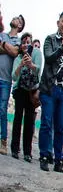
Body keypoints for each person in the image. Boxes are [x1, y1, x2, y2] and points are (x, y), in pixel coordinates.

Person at [39, 11, 63, 173]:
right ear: (58, 22)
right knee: (47, 123)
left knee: (61, 126)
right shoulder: (50, 39)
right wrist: (62, 46)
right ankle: (44, 156)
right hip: (49, 87)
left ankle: (59, 159)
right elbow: (48, 58)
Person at [10, 32, 41, 162]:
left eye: (28, 42)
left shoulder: (36, 53)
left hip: (31, 91)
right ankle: (14, 149)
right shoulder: (18, 58)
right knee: (17, 118)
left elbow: (39, 69)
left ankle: (27, 152)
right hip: (20, 90)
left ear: (31, 43)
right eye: (23, 42)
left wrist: (31, 64)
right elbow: (14, 76)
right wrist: (21, 64)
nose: (26, 44)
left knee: (29, 121)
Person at [0, 14, 22, 155]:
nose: (13, 19)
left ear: (19, 26)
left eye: (17, 19)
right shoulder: (2, 34)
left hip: (6, 80)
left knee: (2, 109)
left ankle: (3, 141)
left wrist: (3, 45)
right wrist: (8, 48)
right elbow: (10, 50)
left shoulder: (19, 40)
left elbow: (15, 52)